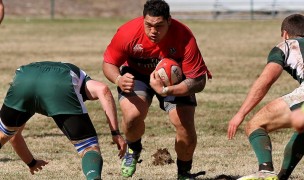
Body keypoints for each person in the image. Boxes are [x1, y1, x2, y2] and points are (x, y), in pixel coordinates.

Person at [102, 0, 211, 179]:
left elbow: (198, 80)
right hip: (137, 75)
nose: (153, 31)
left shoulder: (184, 36)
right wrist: (118, 79)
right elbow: (109, 63)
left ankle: (184, 173)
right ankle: (134, 149)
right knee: (131, 117)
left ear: (169, 20)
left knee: (185, 128)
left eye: (159, 26)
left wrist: (168, 90)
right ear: (143, 19)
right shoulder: (128, 32)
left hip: (174, 81)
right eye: (149, 25)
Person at [0, 61, 126, 179]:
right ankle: (93, 177)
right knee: (89, 147)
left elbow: (13, 136)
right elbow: (103, 89)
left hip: (24, 78)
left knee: (3, 133)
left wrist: (31, 163)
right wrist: (115, 133)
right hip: (59, 83)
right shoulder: (82, 78)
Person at [227, 14, 304, 180]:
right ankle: (282, 176)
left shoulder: (287, 45)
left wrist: (240, 114)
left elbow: (266, 79)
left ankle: (265, 171)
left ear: (285, 34)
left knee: (255, 125)